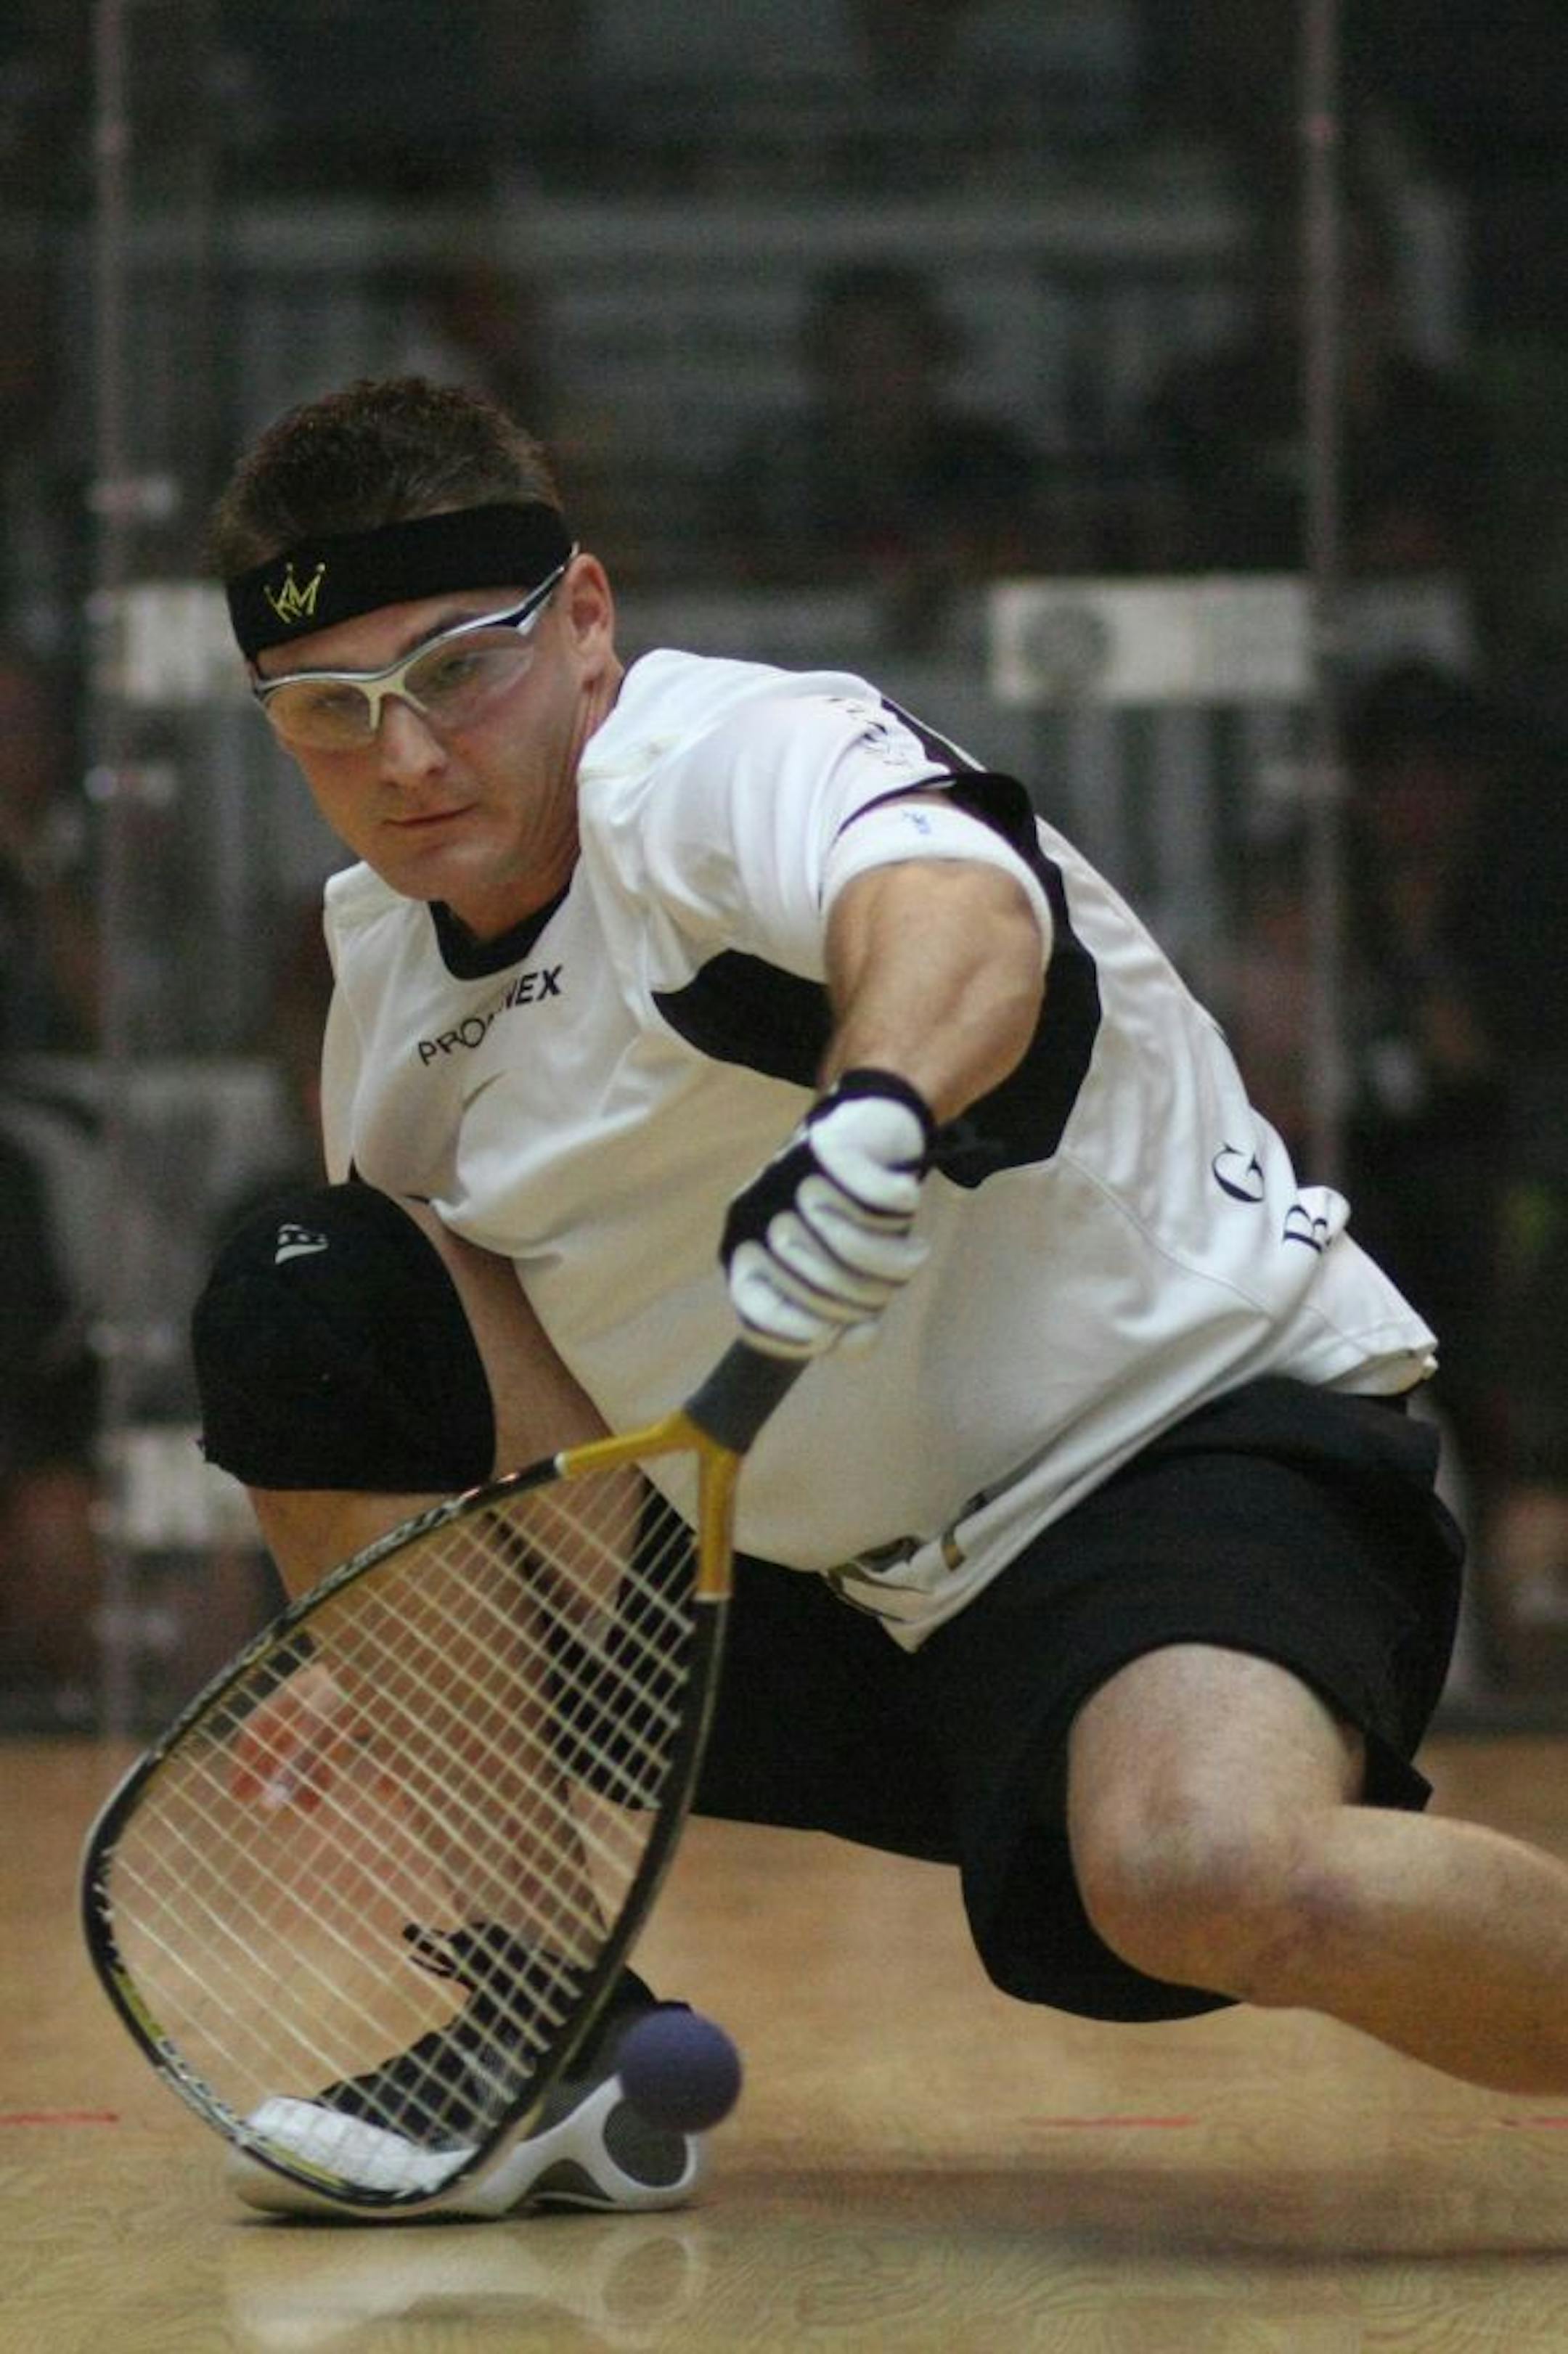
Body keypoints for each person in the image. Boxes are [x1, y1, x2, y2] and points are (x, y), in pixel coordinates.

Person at [190, 375, 1568, 2228]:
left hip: (1176, 1467)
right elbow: (418, 1373)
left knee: (1200, 1874)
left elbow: (957, 912)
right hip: (799, 1589)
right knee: (310, 1283)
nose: (411, 752)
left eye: (458, 668)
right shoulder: (390, 993)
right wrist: (402, 1633)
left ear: (586, 623)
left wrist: (876, 1114)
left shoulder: (720, 761)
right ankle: (546, 2033)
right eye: (333, 711)